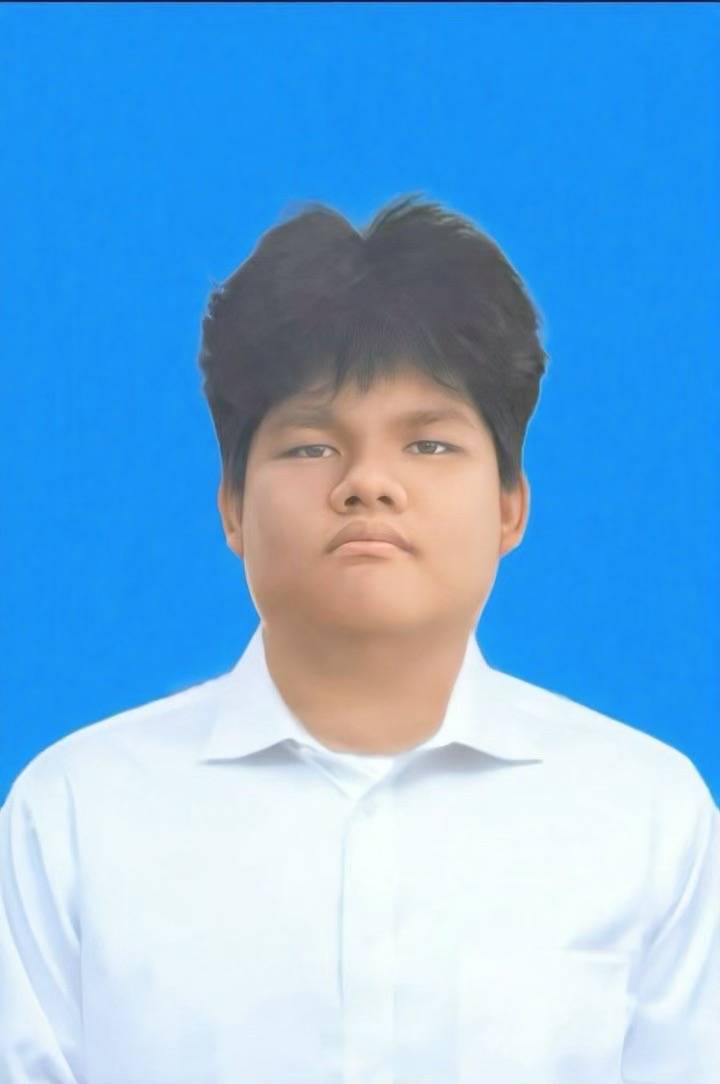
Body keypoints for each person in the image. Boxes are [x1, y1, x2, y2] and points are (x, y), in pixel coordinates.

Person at [1, 193, 717, 1083]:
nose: (368, 483)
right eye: (311, 447)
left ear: (510, 506)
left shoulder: (647, 817)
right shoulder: (73, 815)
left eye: (428, 446)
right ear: (231, 506)